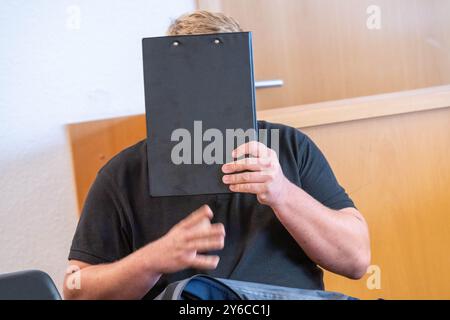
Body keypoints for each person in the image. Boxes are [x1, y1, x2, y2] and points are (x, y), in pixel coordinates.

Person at [64, 10, 370, 300]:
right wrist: (151, 261)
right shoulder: (123, 174)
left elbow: (356, 259)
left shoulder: (290, 146)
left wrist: (282, 193)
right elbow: (76, 288)